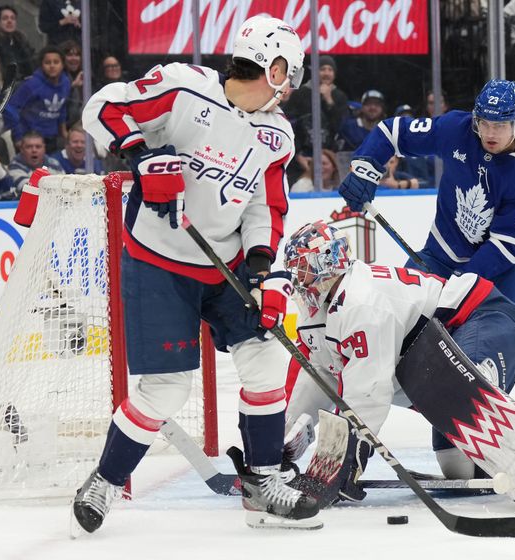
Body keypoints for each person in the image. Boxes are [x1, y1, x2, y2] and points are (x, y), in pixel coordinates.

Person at [73, 16, 320, 534]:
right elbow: (104, 107)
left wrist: (260, 271)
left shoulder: (277, 135)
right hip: (158, 260)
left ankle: (263, 481)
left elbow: (264, 208)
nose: (291, 90)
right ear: (273, 69)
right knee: (165, 388)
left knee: (265, 360)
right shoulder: (184, 87)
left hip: (225, 266)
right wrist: (141, 158)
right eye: (288, 75)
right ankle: (104, 479)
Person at [337, 79, 515, 428]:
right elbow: (392, 132)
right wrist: (366, 168)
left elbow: (505, 246)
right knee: (401, 323)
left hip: (503, 264)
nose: (491, 132)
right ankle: (384, 408)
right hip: (440, 255)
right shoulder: (456, 128)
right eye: (485, 123)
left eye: (501, 125)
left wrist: (460, 291)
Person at [282, 220, 515, 509]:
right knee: (462, 470)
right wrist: (283, 439)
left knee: (464, 389)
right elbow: (320, 377)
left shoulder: (361, 302)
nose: (297, 279)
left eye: (303, 269)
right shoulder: (320, 313)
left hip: (485, 316)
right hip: (431, 360)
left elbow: (368, 390)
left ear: (327, 264)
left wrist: (343, 459)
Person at [4, 46, 71, 152]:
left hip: (52, 139)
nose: (52, 66)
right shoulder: (32, 85)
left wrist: (64, 133)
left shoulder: (66, 83)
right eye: (48, 62)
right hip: (30, 139)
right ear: (41, 65)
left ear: (62, 65)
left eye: (56, 62)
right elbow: (10, 108)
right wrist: (18, 136)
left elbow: (62, 108)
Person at [0, 5, 35, 79]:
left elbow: (31, 63)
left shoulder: (22, 40)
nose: (9, 21)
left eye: (13, 18)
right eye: (5, 18)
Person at [7, 130, 62, 194]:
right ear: (21, 149)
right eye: (29, 147)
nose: (34, 150)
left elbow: (64, 187)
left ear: (44, 148)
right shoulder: (14, 166)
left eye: (38, 147)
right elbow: (28, 189)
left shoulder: (54, 164)